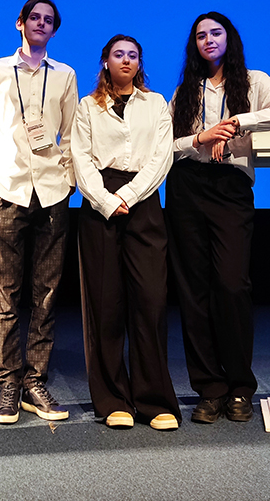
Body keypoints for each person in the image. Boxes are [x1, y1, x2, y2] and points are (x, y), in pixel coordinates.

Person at [166, 12, 270, 424]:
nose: (208, 39)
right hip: (187, 186)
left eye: (216, 33)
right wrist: (200, 138)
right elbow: (164, 144)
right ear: (194, 45)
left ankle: (240, 386)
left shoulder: (253, 82)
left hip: (230, 187)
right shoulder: (185, 90)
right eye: (201, 35)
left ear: (229, 38)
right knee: (193, 290)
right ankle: (210, 389)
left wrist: (240, 122)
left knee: (231, 284)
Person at [72, 35, 180, 431]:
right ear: (105, 61)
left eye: (133, 55)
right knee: (106, 304)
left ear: (140, 63)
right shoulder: (88, 106)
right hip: (100, 204)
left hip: (143, 200)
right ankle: (113, 399)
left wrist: (130, 195)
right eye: (119, 54)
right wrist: (105, 200)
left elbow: (162, 156)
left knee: (150, 302)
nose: (126, 60)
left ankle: (154, 401)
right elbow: (80, 158)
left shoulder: (155, 103)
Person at [0, 0, 79, 424]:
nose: (41, 24)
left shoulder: (64, 75)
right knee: (6, 293)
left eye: (48, 20)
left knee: (47, 293)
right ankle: (8, 382)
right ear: (20, 23)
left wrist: (70, 179)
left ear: (54, 30)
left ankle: (34, 381)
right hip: (8, 189)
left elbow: (73, 132)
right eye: (34, 18)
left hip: (53, 192)